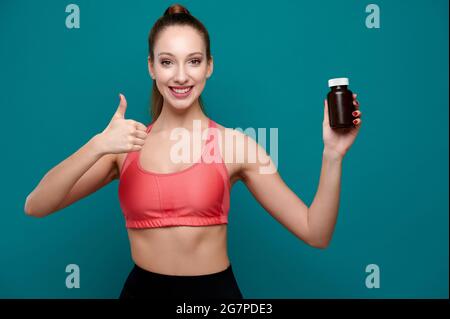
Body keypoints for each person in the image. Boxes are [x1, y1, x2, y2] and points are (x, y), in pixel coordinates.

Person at [24, 3, 362, 300]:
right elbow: (37, 205)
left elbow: (315, 232)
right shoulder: (123, 146)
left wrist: (333, 154)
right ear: (151, 67)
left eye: (194, 61)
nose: (181, 76)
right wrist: (98, 144)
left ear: (209, 66)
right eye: (168, 62)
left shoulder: (235, 146)